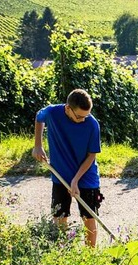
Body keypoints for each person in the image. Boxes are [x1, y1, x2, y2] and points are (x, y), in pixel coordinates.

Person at [32, 89, 103, 247]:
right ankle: (62, 252)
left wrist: (76, 180)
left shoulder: (92, 124)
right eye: (79, 116)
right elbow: (39, 116)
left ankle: (90, 258)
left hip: (86, 177)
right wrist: (38, 145)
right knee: (59, 216)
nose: (83, 120)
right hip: (61, 174)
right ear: (67, 109)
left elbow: (92, 156)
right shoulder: (52, 113)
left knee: (89, 218)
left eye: (86, 115)